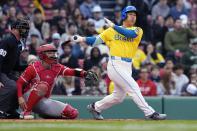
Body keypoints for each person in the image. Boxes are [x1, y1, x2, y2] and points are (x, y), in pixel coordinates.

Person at [71, 5, 166, 120]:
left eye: (134, 15)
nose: (133, 17)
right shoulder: (111, 31)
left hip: (127, 66)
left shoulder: (137, 30)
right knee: (134, 87)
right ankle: (150, 113)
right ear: (124, 15)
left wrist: (114, 26)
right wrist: (82, 39)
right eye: (130, 14)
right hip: (115, 64)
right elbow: (96, 41)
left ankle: (95, 107)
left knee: (118, 97)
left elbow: (129, 34)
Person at [17, 44, 98, 119]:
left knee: (73, 113)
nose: (53, 55)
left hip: (42, 100)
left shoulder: (57, 67)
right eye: (50, 53)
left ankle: (46, 115)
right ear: (42, 55)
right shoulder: (33, 67)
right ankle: (26, 112)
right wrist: (20, 97)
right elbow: (19, 82)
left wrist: (84, 73)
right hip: (27, 99)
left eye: (54, 53)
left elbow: (71, 71)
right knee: (43, 86)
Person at [0, 18, 30, 119]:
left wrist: (29, 66)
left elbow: (16, 66)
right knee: (13, 86)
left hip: (7, 73)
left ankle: (10, 110)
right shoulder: (7, 40)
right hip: (1, 72)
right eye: (21, 28)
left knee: (22, 84)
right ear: (12, 29)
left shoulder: (18, 44)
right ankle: (1, 109)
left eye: (25, 29)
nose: (24, 31)